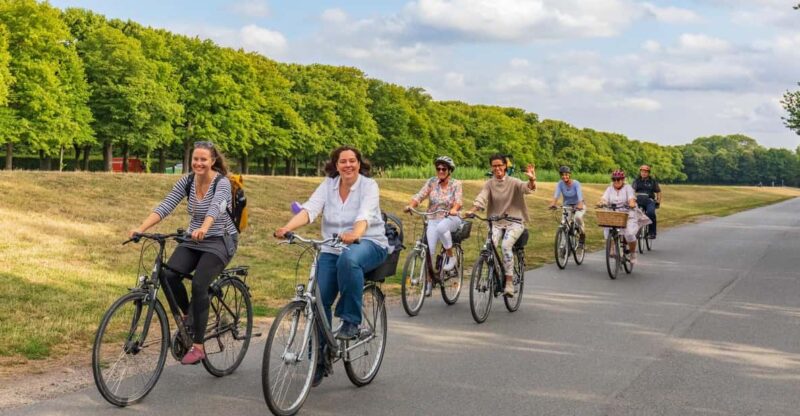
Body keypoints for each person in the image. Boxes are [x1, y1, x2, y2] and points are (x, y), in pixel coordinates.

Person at [275, 145, 388, 387]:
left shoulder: (369, 186)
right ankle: (318, 359)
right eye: (342, 161)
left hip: (368, 242)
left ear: (359, 164)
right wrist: (287, 228)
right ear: (336, 165)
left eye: (352, 161)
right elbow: (310, 209)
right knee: (318, 299)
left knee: (349, 259)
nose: (348, 165)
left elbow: (365, 215)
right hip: (331, 246)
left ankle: (351, 320)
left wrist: (355, 233)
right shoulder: (328, 185)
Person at [129, 141, 238, 365]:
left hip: (220, 240)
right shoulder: (187, 181)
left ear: (212, 161)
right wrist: (141, 228)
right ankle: (191, 317)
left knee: (199, 285)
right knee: (169, 275)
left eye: (203, 159)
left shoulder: (222, 183)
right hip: (194, 238)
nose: (198, 163)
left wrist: (204, 228)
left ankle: (198, 347)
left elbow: (216, 208)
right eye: (195, 159)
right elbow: (166, 205)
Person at [465, 154, 536, 297]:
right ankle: (494, 272)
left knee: (505, 246)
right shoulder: (489, 184)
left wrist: (531, 180)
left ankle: (509, 282)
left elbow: (527, 188)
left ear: (505, 166)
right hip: (496, 223)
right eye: (494, 166)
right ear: (491, 167)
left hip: (514, 221)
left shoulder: (514, 182)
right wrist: (471, 211)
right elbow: (481, 198)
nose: (497, 168)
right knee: (488, 247)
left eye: (500, 165)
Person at [405, 156, 463, 297]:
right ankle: (429, 282)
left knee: (442, 227)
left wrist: (454, 209)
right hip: (433, 218)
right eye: (438, 168)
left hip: (451, 218)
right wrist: (411, 205)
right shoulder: (432, 182)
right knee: (428, 252)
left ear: (449, 171)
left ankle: (451, 257)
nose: (440, 171)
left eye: (444, 169)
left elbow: (458, 201)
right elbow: (420, 195)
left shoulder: (456, 184)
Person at [599, 169, 640, 264]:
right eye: (614, 179)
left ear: (623, 180)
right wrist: (602, 202)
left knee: (629, 234)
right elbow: (604, 198)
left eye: (618, 179)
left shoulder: (628, 188)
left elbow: (631, 198)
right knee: (607, 228)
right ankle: (612, 248)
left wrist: (631, 203)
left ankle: (633, 253)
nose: (616, 181)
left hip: (627, 214)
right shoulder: (609, 189)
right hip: (614, 214)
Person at [548, 165, 586, 246]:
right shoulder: (560, 184)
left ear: (569, 175)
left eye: (566, 174)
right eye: (562, 175)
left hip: (578, 205)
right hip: (567, 205)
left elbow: (580, 195)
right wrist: (553, 203)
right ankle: (562, 246)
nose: (564, 176)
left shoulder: (576, 184)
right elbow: (556, 195)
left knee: (578, 217)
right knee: (564, 224)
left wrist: (580, 204)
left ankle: (582, 234)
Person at [631, 164, 661, 239]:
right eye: (642, 171)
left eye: (645, 172)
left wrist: (658, 201)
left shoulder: (652, 181)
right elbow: (632, 190)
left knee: (651, 213)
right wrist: (632, 199)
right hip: (639, 199)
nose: (643, 173)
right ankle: (635, 231)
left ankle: (652, 233)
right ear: (640, 172)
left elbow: (658, 191)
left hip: (649, 200)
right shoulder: (636, 181)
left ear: (648, 173)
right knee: (633, 214)